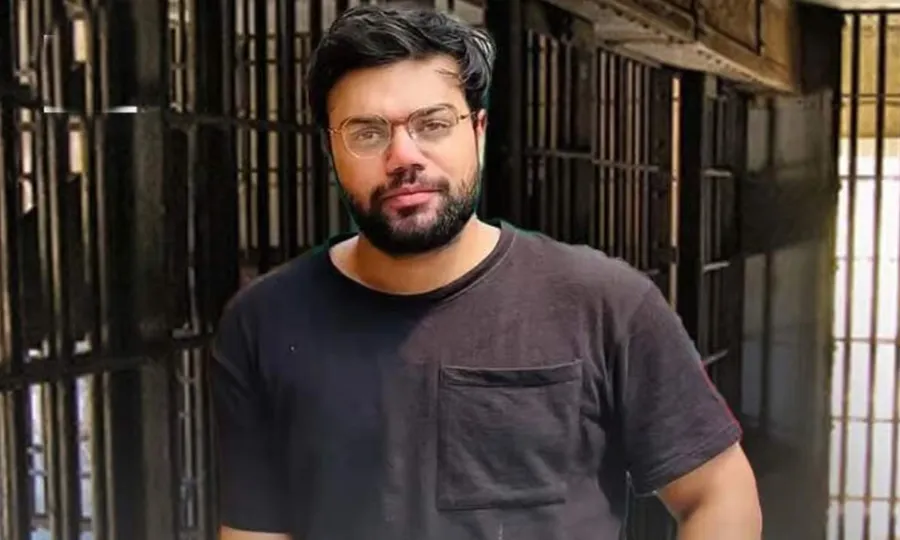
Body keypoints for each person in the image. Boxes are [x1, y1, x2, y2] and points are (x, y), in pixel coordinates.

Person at [210, 4, 762, 540]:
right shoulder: (265, 322)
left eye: (432, 124)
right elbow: (254, 531)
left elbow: (718, 492)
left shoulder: (604, 304)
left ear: (477, 130)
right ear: (332, 149)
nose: (404, 156)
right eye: (368, 133)